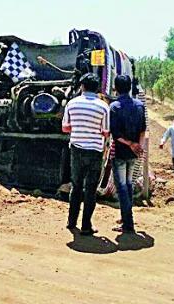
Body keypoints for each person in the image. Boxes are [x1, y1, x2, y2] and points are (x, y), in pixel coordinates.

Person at [62, 73, 110, 236]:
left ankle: (71, 221)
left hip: (76, 149)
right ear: (96, 88)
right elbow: (105, 132)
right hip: (95, 151)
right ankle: (86, 226)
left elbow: (65, 128)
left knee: (76, 187)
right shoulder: (103, 106)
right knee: (90, 189)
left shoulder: (71, 103)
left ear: (82, 86)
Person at [110, 75, 146, 234]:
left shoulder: (115, 107)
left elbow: (115, 134)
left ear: (116, 88)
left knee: (122, 187)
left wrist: (130, 144)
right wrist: (138, 146)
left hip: (121, 152)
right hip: (134, 153)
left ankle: (128, 224)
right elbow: (143, 129)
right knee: (129, 184)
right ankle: (127, 218)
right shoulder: (139, 105)